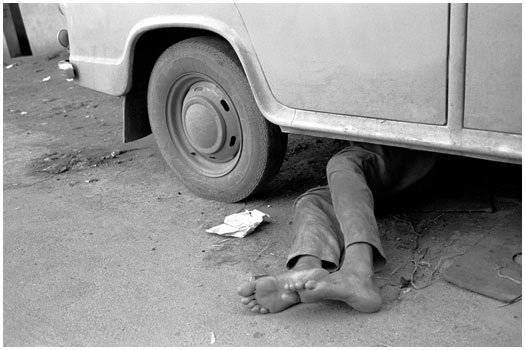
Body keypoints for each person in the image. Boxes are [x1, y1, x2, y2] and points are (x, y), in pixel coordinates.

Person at [237, 142, 436, 314]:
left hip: (425, 156)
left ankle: (358, 271)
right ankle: (305, 268)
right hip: (402, 176)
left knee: (343, 164)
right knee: (312, 201)